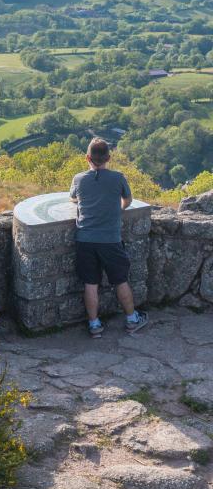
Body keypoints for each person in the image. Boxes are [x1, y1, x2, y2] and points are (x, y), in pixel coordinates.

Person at [70, 137, 148, 338]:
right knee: (121, 280)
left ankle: (94, 325)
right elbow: (128, 200)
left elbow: (73, 198)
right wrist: (117, 210)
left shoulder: (79, 179)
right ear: (109, 157)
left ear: (87, 157)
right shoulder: (118, 178)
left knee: (90, 283)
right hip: (110, 239)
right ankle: (132, 320)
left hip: (85, 239)